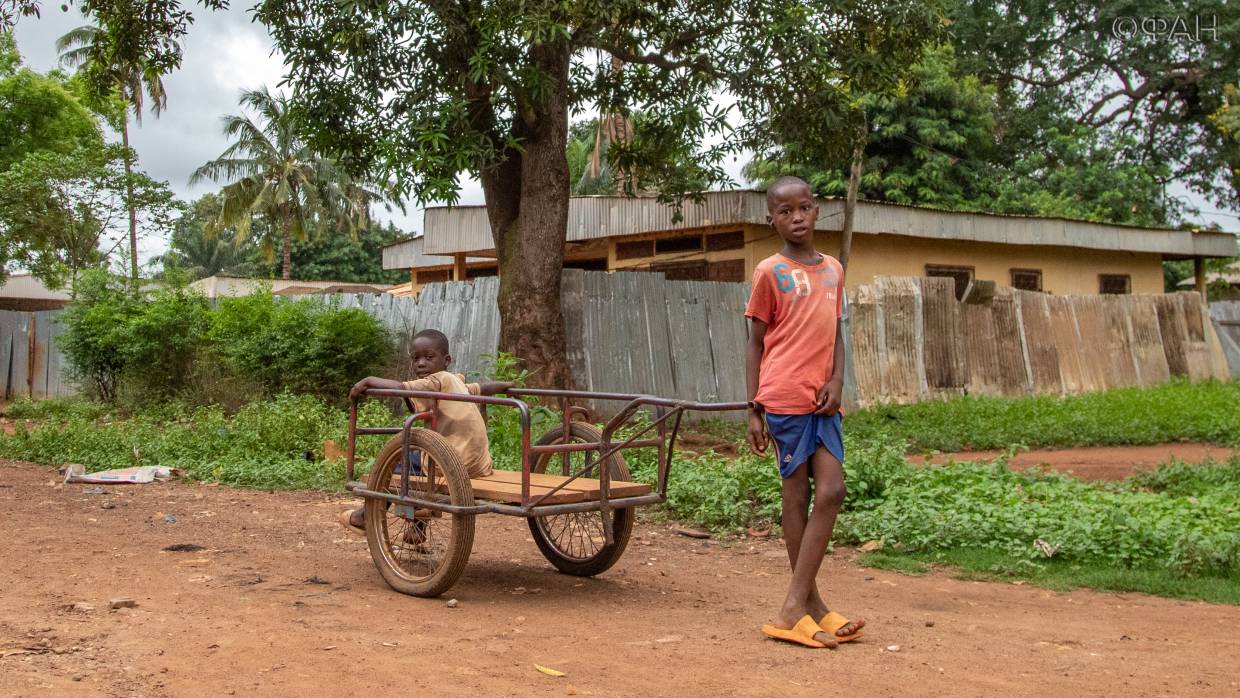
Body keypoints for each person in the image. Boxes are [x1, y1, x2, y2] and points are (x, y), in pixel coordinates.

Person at [746, 176, 866, 649]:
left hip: (824, 402)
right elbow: (754, 344)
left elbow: (837, 335)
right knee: (796, 497)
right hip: (783, 399)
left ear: (817, 211)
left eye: (804, 208)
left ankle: (805, 604)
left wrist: (838, 380)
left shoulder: (834, 270)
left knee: (832, 491)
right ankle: (802, 606)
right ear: (770, 219)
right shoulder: (768, 272)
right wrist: (753, 408)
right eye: (785, 211)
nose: (796, 217)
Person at [339, 328, 512, 534]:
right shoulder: (457, 382)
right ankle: (416, 528)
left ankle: (366, 516)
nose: (421, 363)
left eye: (429, 357)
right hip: (479, 466)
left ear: (446, 360)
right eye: (416, 358)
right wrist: (507, 385)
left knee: (395, 462)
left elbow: (400, 388)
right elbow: (483, 388)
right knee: (420, 458)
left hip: (450, 465)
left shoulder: (436, 380)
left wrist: (366, 381)